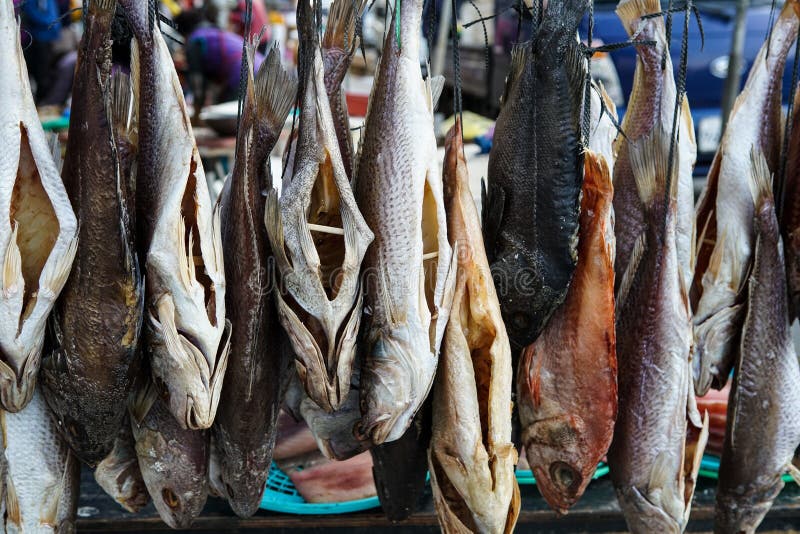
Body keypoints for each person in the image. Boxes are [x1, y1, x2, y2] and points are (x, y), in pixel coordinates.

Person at [174, 8, 266, 116]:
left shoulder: (195, 41)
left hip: (245, 73)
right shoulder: (212, 32)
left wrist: (196, 116)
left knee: (230, 116)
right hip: (260, 67)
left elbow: (197, 85)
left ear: (183, 32)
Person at [19, 0, 62, 103]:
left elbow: (54, 15)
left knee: (45, 73)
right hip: (37, 41)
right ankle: (39, 102)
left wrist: (53, 26)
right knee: (38, 74)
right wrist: (50, 22)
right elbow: (31, 13)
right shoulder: (30, 2)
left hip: (48, 39)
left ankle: (43, 101)